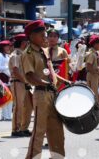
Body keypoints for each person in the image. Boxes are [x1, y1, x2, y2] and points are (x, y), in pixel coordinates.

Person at [23, 20, 69, 159]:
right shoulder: (28, 53)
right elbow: (30, 75)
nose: (45, 38)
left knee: (57, 131)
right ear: (32, 36)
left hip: (52, 93)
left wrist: (65, 81)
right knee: (39, 131)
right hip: (41, 94)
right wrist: (44, 83)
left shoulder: (44, 51)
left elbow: (50, 73)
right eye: (42, 35)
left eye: (45, 34)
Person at [0, 40, 13, 121]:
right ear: (3, 47)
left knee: (9, 98)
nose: (8, 47)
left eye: (9, 46)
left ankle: (7, 115)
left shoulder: (7, 56)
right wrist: (8, 67)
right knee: (4, 98)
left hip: (9, 78)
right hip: (3, 78)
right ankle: (5, 115)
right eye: (7, 46)